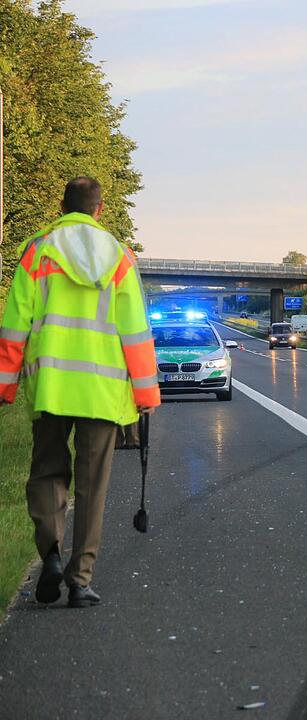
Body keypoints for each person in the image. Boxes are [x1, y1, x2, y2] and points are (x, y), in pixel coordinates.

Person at [0, 177, 160, 608]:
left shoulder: (37, 251)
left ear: (61, 205)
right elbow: (135, 332)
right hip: (101, 393)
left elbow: (14, 325)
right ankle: (80, 580)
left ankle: (51, 553)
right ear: (99, 209)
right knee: (92, 487)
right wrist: (146, 393)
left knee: (47, 475)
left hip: (51, 388)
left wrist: (5, 384)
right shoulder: (120, 257)